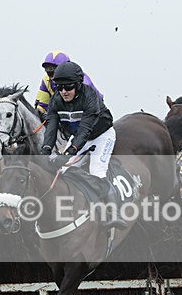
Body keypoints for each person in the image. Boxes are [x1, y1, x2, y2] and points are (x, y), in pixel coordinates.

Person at [40, 61, 127, 229]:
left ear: (78, 85)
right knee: (61, 171)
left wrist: (68, 154)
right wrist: (45, 150)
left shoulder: (90, 97)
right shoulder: (56, 100)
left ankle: (114, 214)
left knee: (97, 172)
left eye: (68, 87)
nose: (64, 92)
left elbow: (85, 130)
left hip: (101, 135)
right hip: (79, 137)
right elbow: (50, 128)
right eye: (59, 87)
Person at [34, 50, 103, 116]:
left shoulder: (82, 81)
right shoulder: (46, 80)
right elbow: (42, 105)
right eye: (48, 69)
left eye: (55, 69)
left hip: (94, 112)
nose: (51, 73)